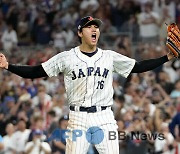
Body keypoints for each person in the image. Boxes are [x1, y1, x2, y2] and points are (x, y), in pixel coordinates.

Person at [0, 16, 175, 154]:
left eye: (96, 27)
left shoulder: (109, 56)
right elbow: (37, 71)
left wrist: (166, 58)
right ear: (79, 33)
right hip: (78, 118)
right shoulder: (67, 57)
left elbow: (138, 66)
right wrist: (9, 66)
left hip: (104, 116)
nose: (94, 30)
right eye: (90, 27)